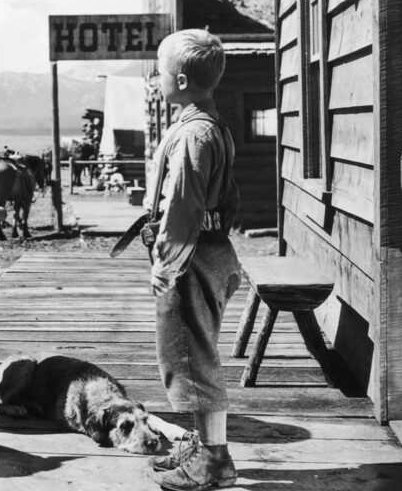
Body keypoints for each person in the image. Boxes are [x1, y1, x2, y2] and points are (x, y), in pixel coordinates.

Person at [143, 29, 241, 490]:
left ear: (179, 79)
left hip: (192, 259)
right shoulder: (208, 125)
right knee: (197, 351)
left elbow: (183, 208)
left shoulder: (194, 135)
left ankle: (214, 462)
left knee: (192, 358)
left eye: (160, 72)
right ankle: (200, 445)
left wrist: (166, 265)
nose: (156, 78)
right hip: (212, 252)